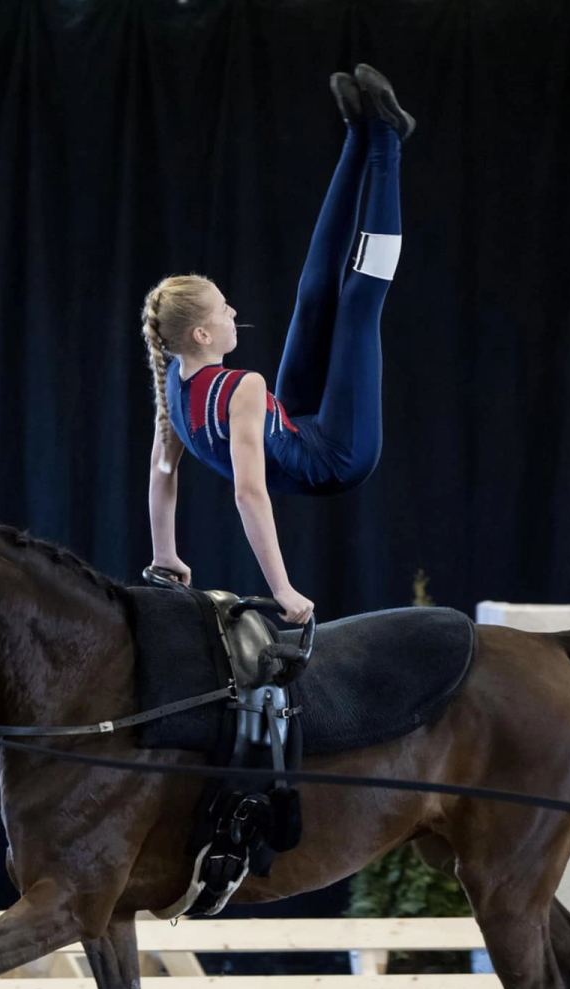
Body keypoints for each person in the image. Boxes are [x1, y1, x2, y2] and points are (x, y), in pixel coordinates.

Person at [144, 63, 415, 624]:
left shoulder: (171, 376)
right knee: (359, 304)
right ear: (201, 333)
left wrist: (165, 554)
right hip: (338, 458)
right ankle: (387, 141)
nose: (234, 313)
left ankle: (357, 135)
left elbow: (163, 472)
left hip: (290, 425)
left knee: (315, 291)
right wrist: (284, 591)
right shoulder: (243, 388)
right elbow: (249, 495)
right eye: (224, 310)